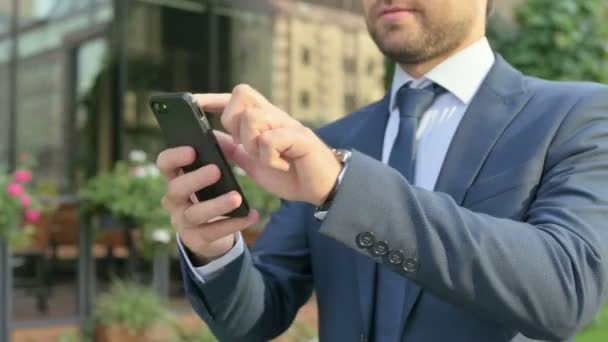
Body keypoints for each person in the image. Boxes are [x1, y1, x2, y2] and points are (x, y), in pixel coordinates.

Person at [156, 0, 608, 340]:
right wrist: (214, 249)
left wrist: (342, 187)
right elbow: (255, 316)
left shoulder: (577, 115)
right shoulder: (328, 141)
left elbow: (565, 289)